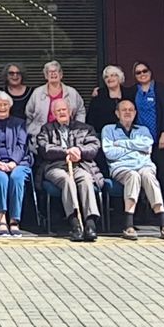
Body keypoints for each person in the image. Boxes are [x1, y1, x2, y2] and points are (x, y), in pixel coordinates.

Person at [102, 99, 164, 240]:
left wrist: (121, 144)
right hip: (121, 168)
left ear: (135, 113)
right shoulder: (108, 129)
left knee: (148, 176)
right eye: (124, 110)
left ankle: (163, 223)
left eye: (131, 110)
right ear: (117, 113)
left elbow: (147, 147)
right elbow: (109, 152)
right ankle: (128, 224)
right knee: (133, 175)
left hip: (144, 166)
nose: (127, 112)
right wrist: (136, 148)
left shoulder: (143, 130)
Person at [32, 98, 101, 241]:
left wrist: (79, 151)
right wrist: (66, 152)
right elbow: (44, 148)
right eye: (58, 110)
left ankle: (90, 223)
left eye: (64, 109)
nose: (62, 112)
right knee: (66, 180)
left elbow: (94, 146)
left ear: (70, 111)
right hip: (55, 166)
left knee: (86, 179)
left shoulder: (85, 128)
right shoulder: (46, 129)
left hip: (80, 165)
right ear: (53, 113)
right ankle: (75, 223)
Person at [0, 92, 32, 236]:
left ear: (10, 106)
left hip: (19, 163)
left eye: (5, 104)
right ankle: (1, 219)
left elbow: (22, 146)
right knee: (1, 178)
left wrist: (13, 162)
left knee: (16, 177)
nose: (2, 107)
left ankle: (14, 221)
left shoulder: (20, 123)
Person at [131, 59, 164, 189]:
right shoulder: (133, 91)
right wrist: (98, 91)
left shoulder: (159, 89)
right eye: (138, 73)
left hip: (158, 136)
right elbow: (116, 93)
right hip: (140, 140)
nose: (142, 74)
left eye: (145, 71)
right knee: (144, 172)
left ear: (150, 72)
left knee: (162, 171)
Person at [25, 60, 84, 136]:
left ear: (61, 75)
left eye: (55, 71)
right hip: (41, 134)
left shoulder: (72, 92)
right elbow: (29, 113)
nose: (53, 74)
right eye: (50, 72)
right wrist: (32, 129)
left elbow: (80, 111)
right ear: (46, 76)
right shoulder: (37, 93)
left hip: (68, 134)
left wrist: (77, 128)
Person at [87, 65, 131, 133]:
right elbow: (91, 119)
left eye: (113, 75)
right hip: (102, 134)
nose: (109, 78)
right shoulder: (99, 95)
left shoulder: (129, 93)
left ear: (120, 77)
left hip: (127, 133)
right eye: (106, 77)